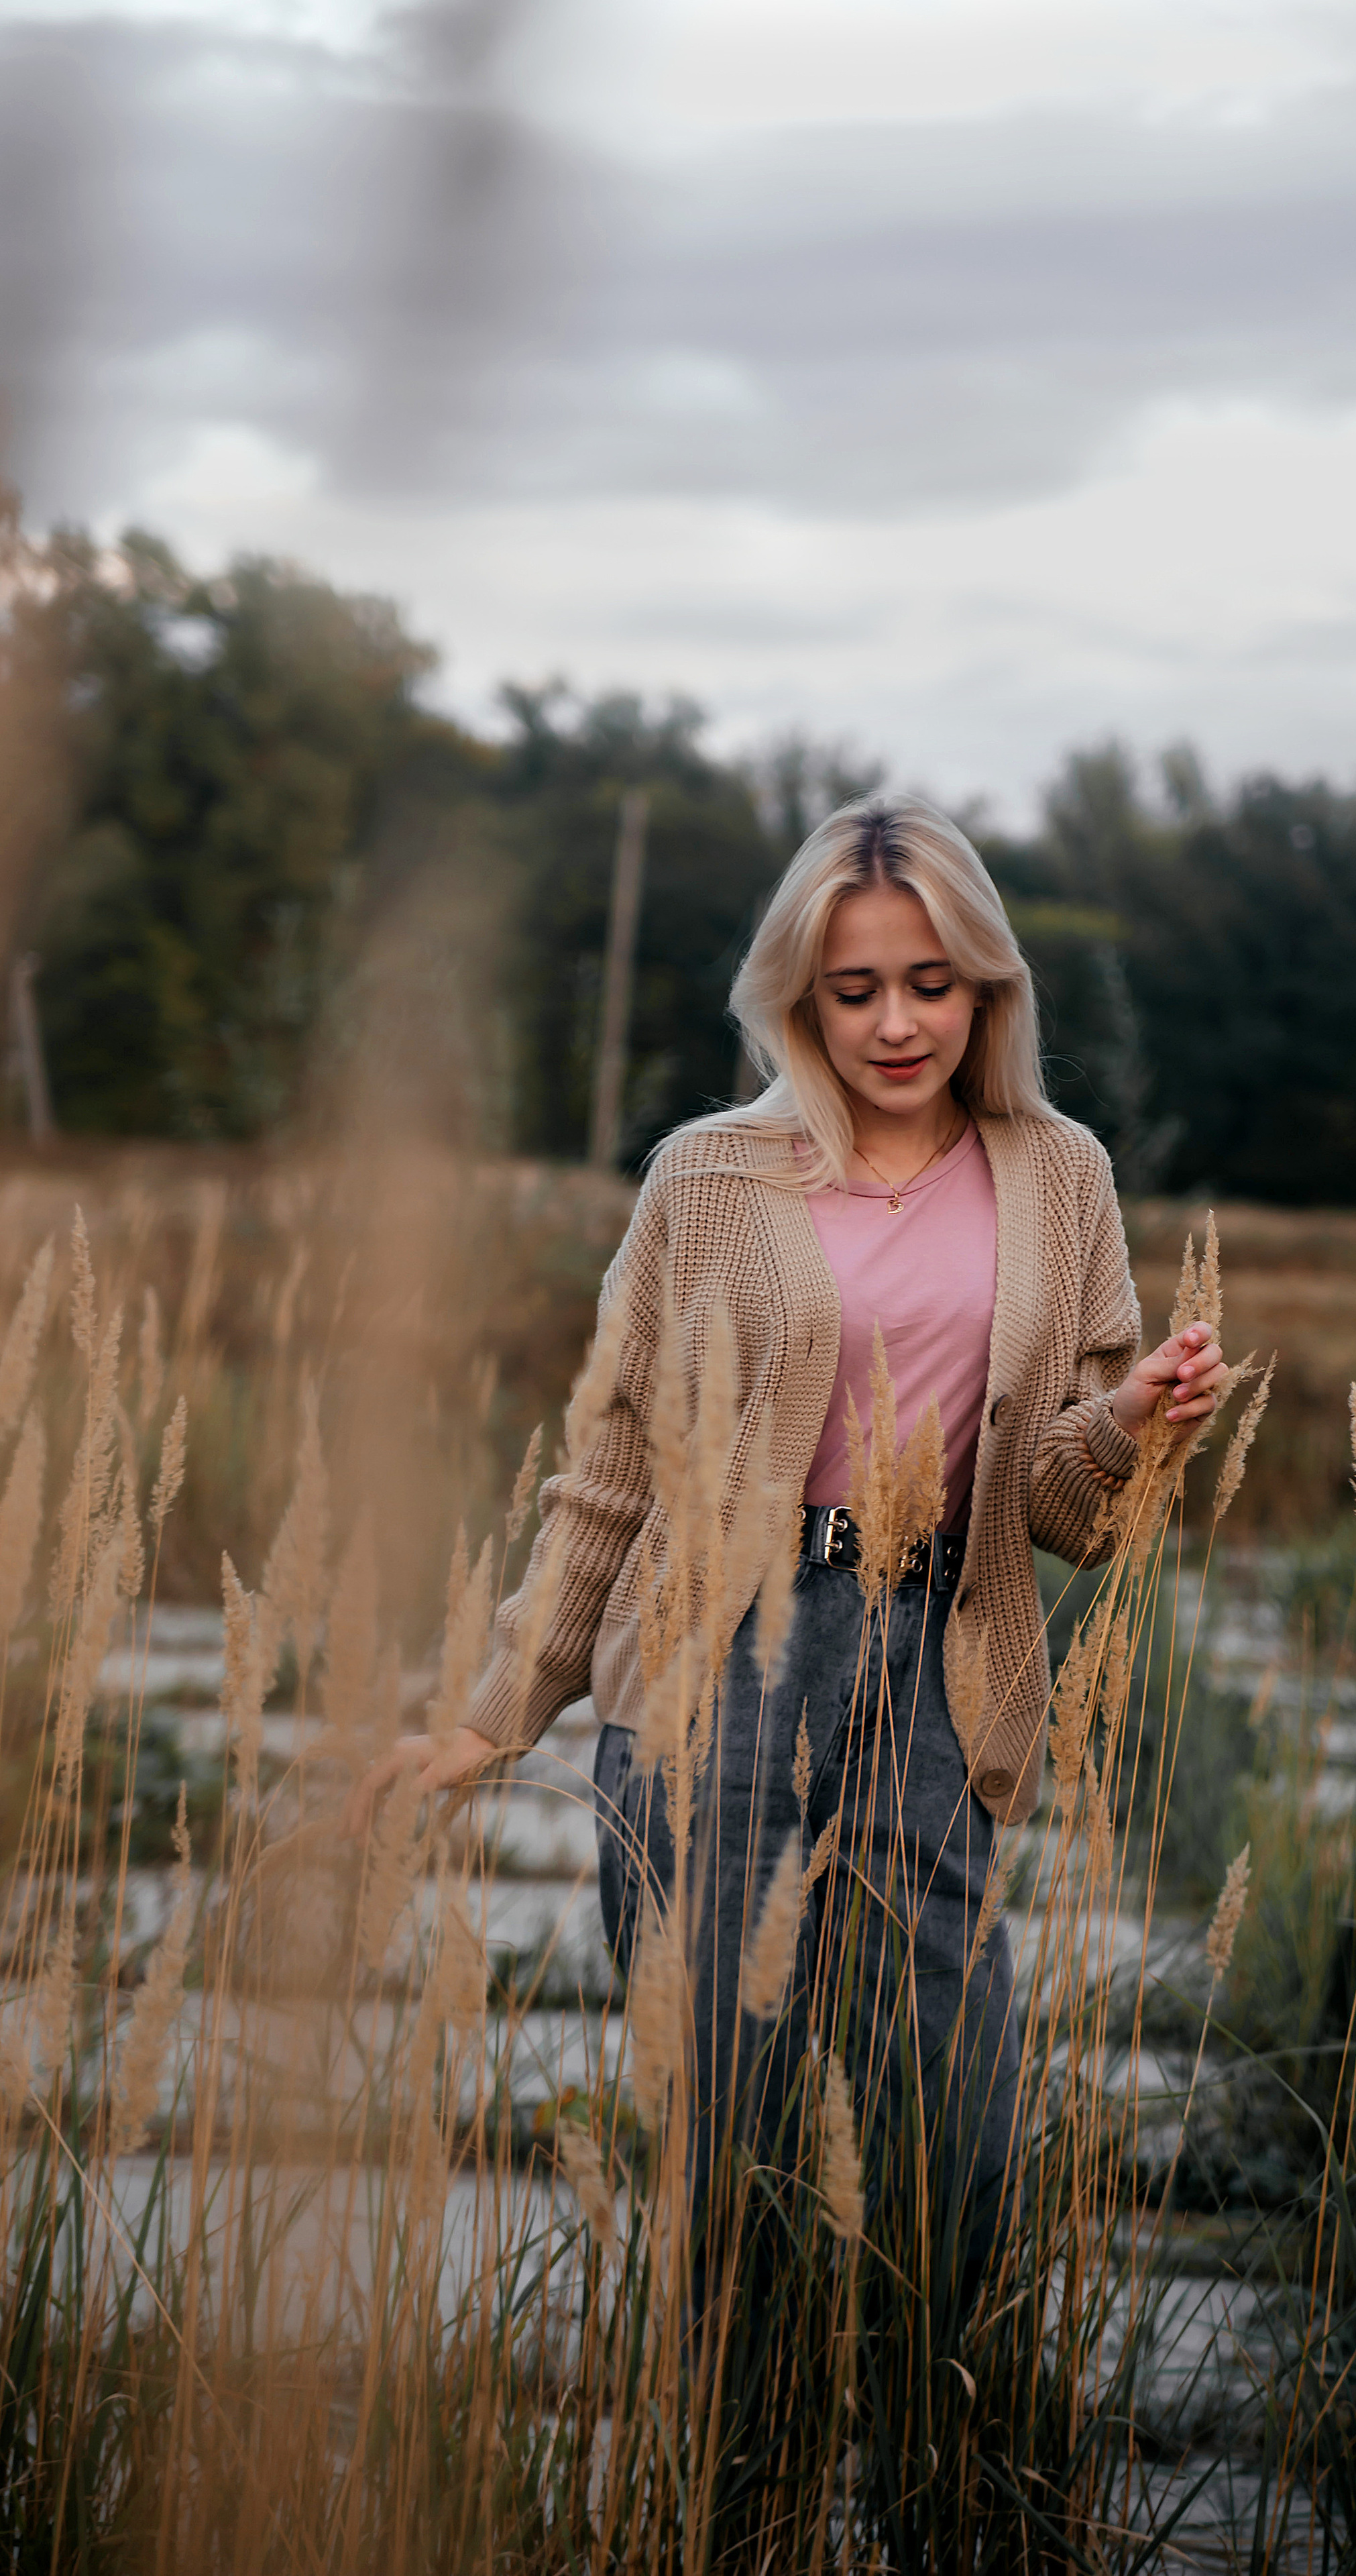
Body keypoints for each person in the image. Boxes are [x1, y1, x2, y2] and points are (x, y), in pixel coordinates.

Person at [342, 793, 1224, 2282]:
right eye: (854, 988)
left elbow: (1066, 1518)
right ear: (800, 1000)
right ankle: (728, 2433)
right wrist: (496, 1712)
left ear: (987, 987)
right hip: (713, 1666)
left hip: (936, 1669)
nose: (896, 1023)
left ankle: (938, 2424)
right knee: (723, 2143)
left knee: (950, 2137)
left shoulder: (1059, 1173)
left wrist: (1127, 1422)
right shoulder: (708, 1176)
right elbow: (615, 1471)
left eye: (930, 983)